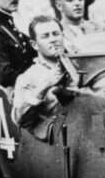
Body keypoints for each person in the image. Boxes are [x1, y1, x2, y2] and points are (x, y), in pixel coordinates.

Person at [12, 15, 78, 143]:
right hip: (60, 144)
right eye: (45, 36)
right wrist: (45, 86)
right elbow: (20, 119)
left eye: (56, 34)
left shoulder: (79, 66)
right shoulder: (29, 78)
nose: (53, 40)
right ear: (34, 44)